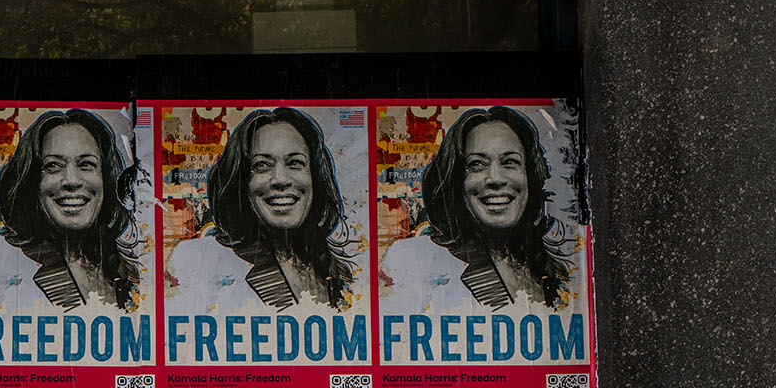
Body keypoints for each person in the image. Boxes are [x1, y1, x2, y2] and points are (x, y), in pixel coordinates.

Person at [382, 106, 573, 312]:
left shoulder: (557, 266)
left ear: (530, 176)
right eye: (477, 164)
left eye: (510, 162)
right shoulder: (416, 260)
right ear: (456, 181)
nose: (496, 179)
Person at [0, 109, 143, 314]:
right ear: (31, 181)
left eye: (87, 164)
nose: (71, 180)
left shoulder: (128, 270)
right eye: (53, 166)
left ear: (107, 179)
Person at [172, 107, 356, 312]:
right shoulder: (202, 262)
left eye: (295, 163)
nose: (280, 179)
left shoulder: (340, 272)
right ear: (241, 182)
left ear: (314, 177)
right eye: (262, 165)